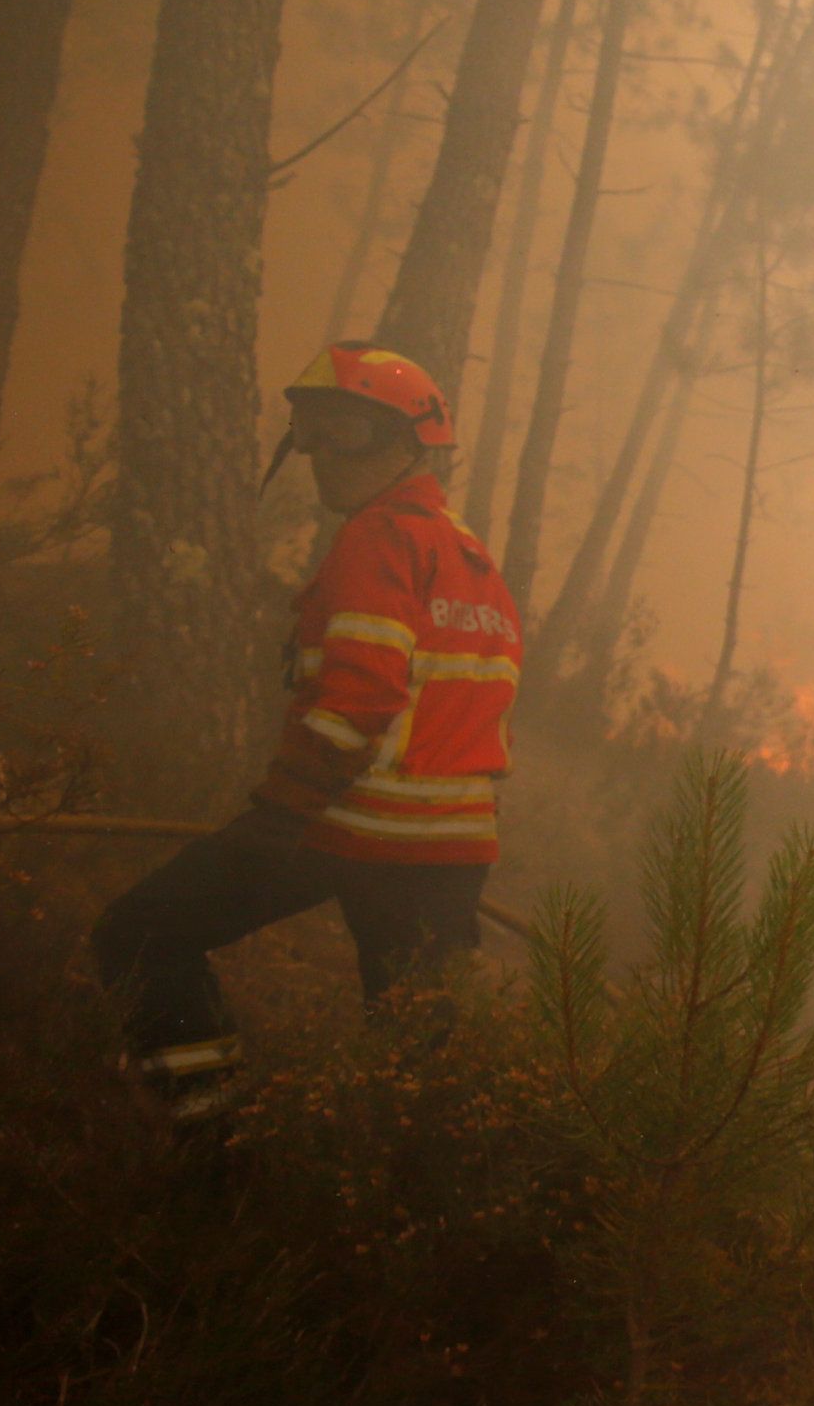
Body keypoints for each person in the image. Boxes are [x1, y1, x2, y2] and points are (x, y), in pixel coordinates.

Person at [92, 343, 523, 1116]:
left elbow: (362, 696)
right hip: (449, 850)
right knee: (422, 1068)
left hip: (348, 827)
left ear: (411, 443)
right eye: (311, 431)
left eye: (349, 432)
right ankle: (425, 1215)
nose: (323, 454)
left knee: (140, 935)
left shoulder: (378, 538)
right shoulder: (471, 559)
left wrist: (281, 810)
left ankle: (215, 1131)